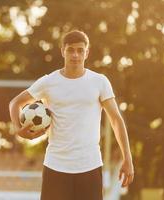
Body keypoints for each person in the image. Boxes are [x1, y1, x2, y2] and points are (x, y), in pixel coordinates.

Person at [9, 30, 134, 200]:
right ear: (63, 51)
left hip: (90, 166)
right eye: (70, 50)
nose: (75, 55)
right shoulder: (48, 82)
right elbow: (15, 103)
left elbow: (116, 120)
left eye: (80, 50)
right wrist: (18, 129)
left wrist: (127, 158)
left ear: (87, 53)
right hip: (55, 165)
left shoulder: (99, 82)